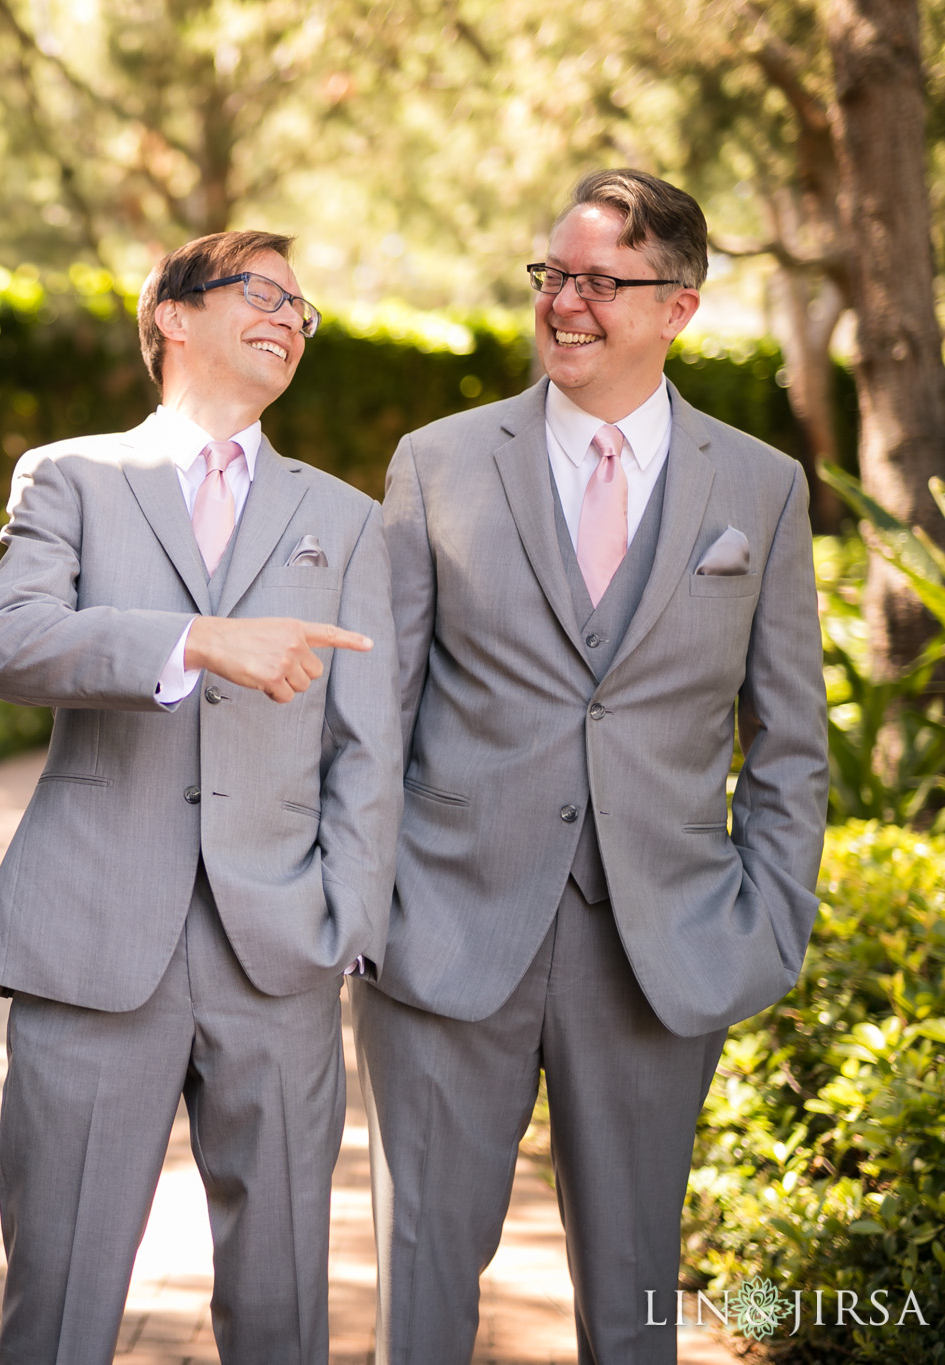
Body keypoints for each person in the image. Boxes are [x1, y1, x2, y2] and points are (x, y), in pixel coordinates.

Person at [356, 169, 828, 1363]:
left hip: (661, 940)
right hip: (442, 926)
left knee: (634, 1292)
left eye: (599, 283)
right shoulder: (438, 461)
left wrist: (767, 921)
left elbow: (788, 737)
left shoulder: (760, 487)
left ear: (677, 306)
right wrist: (367, 901)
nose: (564, 305)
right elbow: (375, 704)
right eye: (551, 276)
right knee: (419, 1274)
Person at [0, 230, 401, 1364]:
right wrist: (197, 640)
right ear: (170, 314)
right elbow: (9, 647)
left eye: (302, 310)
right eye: (262, 292)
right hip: (91, 942)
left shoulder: (344, 518)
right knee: (58, 1293)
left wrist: (342, 922)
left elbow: (367, 746)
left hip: (280, 956)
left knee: (283, 1304)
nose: (288, 319)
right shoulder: (68, 477)